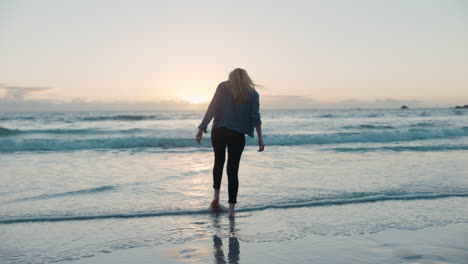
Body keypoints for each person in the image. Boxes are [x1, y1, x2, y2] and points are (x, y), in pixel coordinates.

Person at [196, 68, 264, 218]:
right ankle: (232, 211)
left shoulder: (223, 87)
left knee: (218, 162)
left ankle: (216, 198)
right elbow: (255, 117)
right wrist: (260, 137)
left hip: (219, 131)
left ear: (230, 77)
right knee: (233, 170)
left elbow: (212, 107)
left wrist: (202, 127)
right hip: (237, 135)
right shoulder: (252, 93)